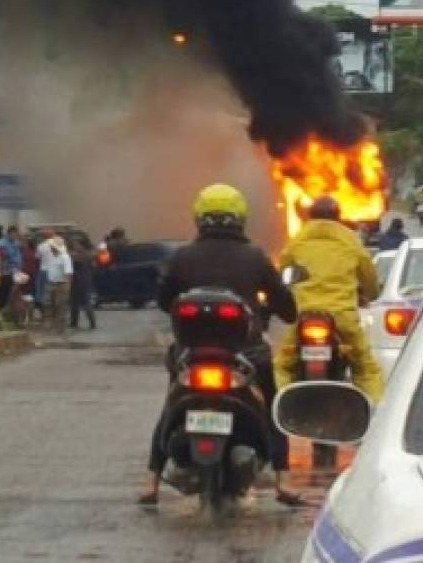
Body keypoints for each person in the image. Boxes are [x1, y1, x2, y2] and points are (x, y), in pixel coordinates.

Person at [138, 183, 299, 508]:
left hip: (190, 356)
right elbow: (288, 308)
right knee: (271, 405)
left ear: (199, 218)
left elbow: (165, 301)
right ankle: (284, 479)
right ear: (240, 218)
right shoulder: (255, 257)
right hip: (246, 355)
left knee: (171, 403)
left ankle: (152, 480)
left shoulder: (183, 257)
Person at [275, 195, 384, 404]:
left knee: (282, 364)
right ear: (338, 216)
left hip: (303, 315)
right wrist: (371, 294)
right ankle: (376, 415)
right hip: (342, 317)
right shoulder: (351, 240)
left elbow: (283, 274)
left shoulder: (297, 239)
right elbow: (368, 277)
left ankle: (282, 405)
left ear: (310, 215)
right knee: (365, 366)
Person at [36, 231, 73, 334]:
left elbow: (68, 274)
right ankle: (51, 324)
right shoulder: (52, 257)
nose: (51, 249)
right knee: (48, 303)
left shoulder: (65, 257)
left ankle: (60, 327)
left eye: (52, 247)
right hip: (51, 283)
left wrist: (67, 286)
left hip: (61, 284)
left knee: (60, 306)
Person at [0, 225, 23, 312]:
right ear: (9, 233)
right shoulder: (2, 243)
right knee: (3, 291)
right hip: (5, 271)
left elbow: (19, 254)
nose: (15, 236)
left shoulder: (16, 242)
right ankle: (0, 308)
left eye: (16, 234)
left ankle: (8, 310)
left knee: (11, 292)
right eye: (14, 234)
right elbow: (0, 257)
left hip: (15, 271)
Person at [70, 237, 96, 329]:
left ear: (81, 245)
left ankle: (74, 322)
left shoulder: (74, 255)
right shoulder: (90, 254)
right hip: (87, 279)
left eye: (76, 244)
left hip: (77, 279)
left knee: (75, 302)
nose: (74, 245)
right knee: (86, 302)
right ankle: (92, 322)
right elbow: (93, 266)